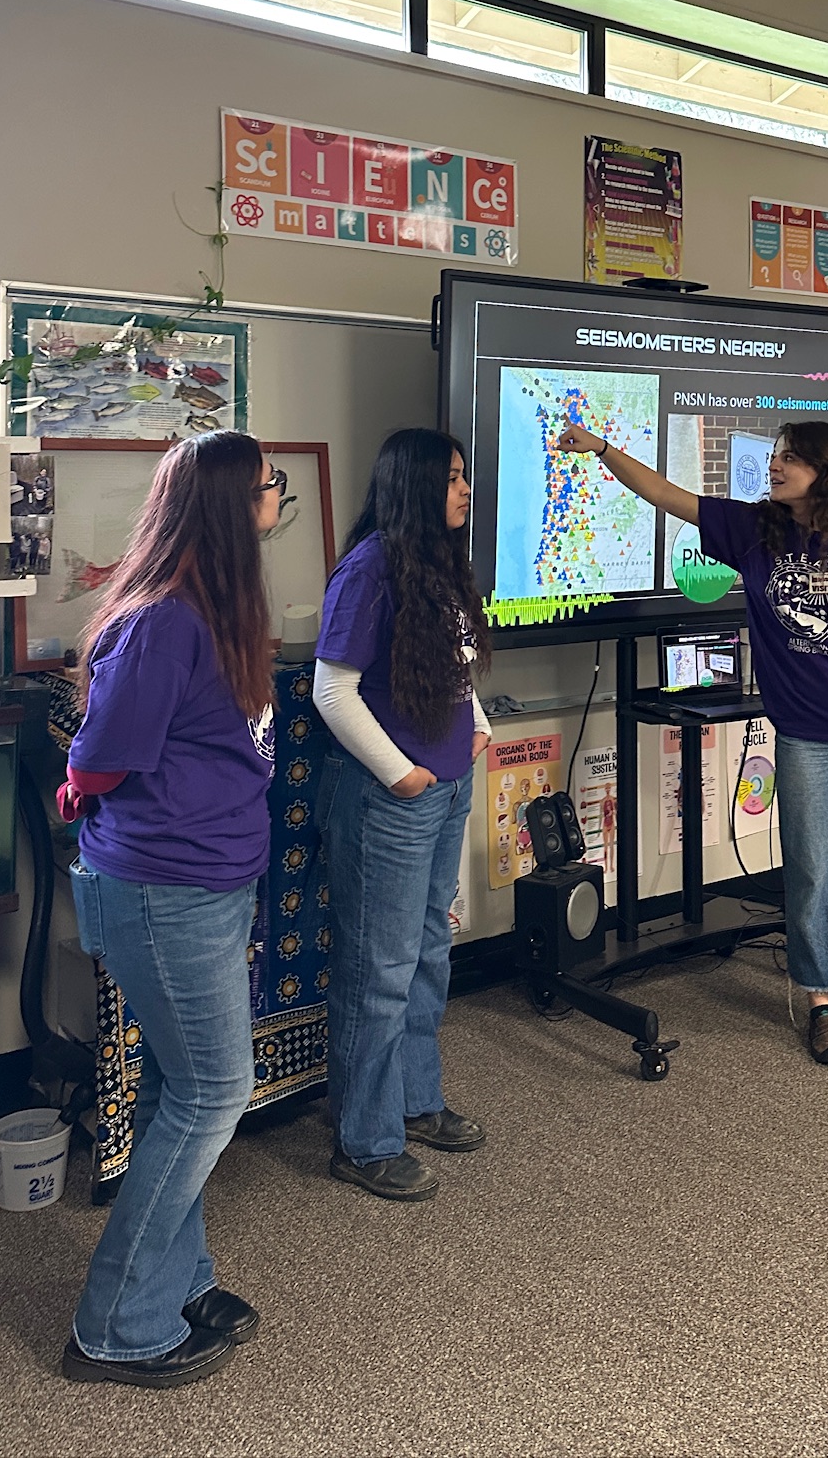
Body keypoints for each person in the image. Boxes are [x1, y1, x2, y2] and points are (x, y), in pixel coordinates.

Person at [557, 416, 828, 1064]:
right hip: (803, 733)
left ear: (825, 471)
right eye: (778, 455)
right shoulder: (751, 531)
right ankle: (821, 1003)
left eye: (791, 457)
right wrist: (602, 450)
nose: (776, 464)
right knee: (812, 868)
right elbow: (663, 494)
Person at [59, 430, 283, 1388]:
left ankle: (181, 1282)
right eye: (271, 486)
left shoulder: (216, 610)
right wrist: (77, 795)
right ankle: (116, 1324)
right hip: (161, 893)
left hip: (206, 885)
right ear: (234, 508)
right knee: (213, 1093)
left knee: (177, 1093)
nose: (280, 496)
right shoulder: (163, 621)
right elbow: (99, 756)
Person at [313, 428, 492, 1201]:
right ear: (416, 485)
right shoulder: (369, 569)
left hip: (445, 787)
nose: (464, 490)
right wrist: (401, 775)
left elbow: (448, 663)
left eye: (464, 476)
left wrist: (477, 722)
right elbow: (332, 692)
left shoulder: (435, 565)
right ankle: (363, 1139)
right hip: (392, 801)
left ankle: (416, 1101)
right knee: (378, 972)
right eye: (452, 478)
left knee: (427, 955)